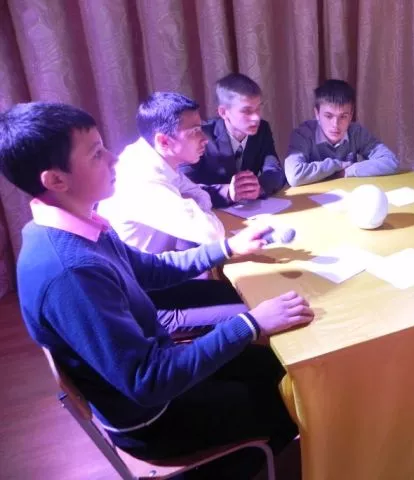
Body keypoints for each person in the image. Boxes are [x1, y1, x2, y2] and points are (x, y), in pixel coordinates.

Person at [0, 101, 314, 478]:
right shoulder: (72, 272)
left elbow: (150, 270)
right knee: (294, 402)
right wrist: (251, 323)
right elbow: (148, 382)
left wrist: (227, 248)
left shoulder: (76, 225)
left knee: (276, 366)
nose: (113, 159)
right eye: (96, 153)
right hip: (155, 419)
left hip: (160, 368)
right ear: (55, 180)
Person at [98, 92, 245, 336]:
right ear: (164, 141)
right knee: (254, 309)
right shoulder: (143, 179)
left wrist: (189, 202)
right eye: (194, 131)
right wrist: (192, 204)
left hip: (158, 276)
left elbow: (200, 195)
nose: (204, 139)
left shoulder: (150, 154)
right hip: (144, 303)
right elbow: (212, 233)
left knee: (237, 291)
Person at [181, 73, 287, 207]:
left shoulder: (262, 129)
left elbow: (274, 170)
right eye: (247, 111)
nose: (256, 118)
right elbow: (184, 187)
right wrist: (227, 192)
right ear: (223, 112)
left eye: (258, 108)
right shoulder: (201, 135)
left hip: (254, 211)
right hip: (212, 211)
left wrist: (259, 187)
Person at [284, 79, 400, 187]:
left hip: (348, 193)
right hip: (313, 196)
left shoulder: (356, 132)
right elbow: (294, 176)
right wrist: (338, 165)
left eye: (343, 116)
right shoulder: (303, 134)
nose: (335, 124)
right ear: (317, 114)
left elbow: (391, 161)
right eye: (328, 116)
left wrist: (348, 171)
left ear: (351, 115)